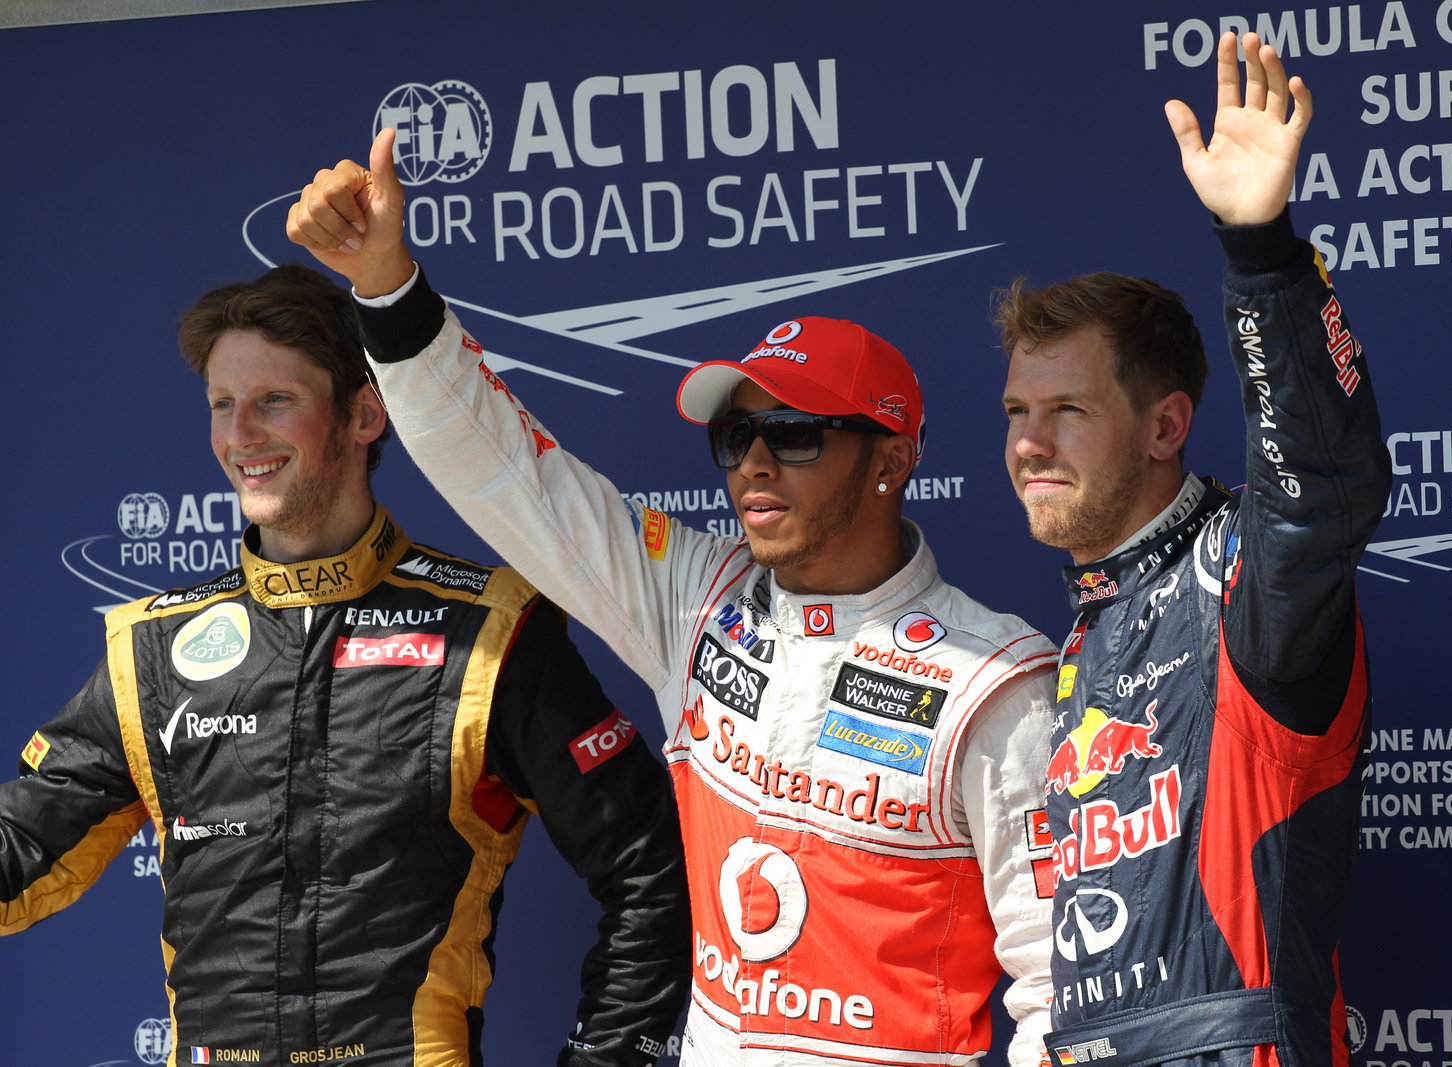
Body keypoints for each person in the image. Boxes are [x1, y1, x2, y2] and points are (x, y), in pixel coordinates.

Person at [285, 139, 1060, 1065]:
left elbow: (1060, 981)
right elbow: (509, 475)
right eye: (736, 435)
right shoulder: (698, 596)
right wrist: (386, 288)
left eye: (795, 433)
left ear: (892, 458)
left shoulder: (994, 680)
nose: (756, 462)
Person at [0, 265, 691, 1067]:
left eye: (274, 400)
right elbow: (19, 851)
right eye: (223, 405)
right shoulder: (150, 652)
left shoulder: (487, 632)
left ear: (364, 413)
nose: (240, 434)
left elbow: (654, 868)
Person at [996, 33, 1390, 1067]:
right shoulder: (1090, 620)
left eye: (1067, 410)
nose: (1029, 441)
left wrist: (1260, 251)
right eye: (1016, 411)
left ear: (1166, 425)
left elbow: (1322, 484)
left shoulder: (1243, 579)